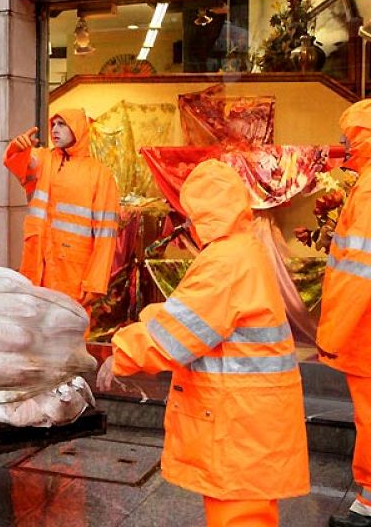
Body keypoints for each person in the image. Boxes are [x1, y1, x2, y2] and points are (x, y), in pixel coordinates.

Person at [97, 159, 309, 527]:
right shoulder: (242, 251)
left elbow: (174, 336)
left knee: (239, 517)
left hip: (237, 424)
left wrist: (118, 354)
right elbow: (187, 316)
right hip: (250, 421)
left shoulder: (224, 261)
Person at [4, 108, 119, 312]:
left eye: (62, 124)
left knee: (69, 335)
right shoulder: (43, 160)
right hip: (36, 266)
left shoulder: (99, 174)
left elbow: (106, 234)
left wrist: (96, 281)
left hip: (72, 272)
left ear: (78, 129)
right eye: (53, 124)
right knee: (35, 333)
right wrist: (17, 148)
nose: (55, 129)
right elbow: (19, 164)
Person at [317, 100, 371, 527]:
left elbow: (358, 274)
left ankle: (369, 500)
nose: (342, 143)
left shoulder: (369, 190)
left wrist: (333, 336)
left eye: (348, 135)